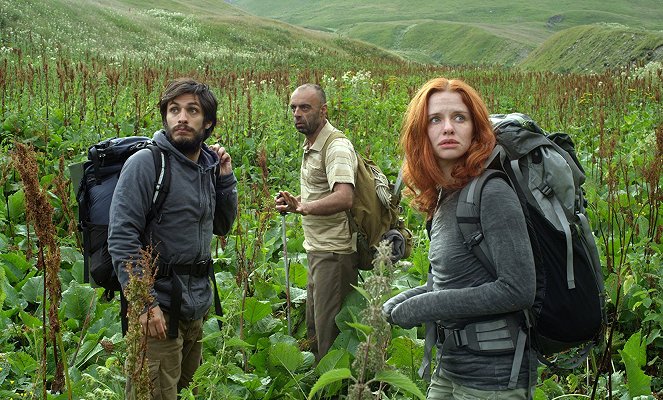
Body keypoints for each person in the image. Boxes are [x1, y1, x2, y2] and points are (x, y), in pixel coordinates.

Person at [382, 77, 537, 399]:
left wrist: (427, 305)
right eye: (435, 119)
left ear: (476, 129)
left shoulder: (492, 192)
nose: (448, 128)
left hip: (494, 377)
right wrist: (408, 298)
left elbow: (518, 289)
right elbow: (457, 280)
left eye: (459, 118)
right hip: (450, 365)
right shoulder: (445, 195)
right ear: (420, 133)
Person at [108, 78, 238, 399]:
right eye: (174, 109)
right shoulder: (147, 164)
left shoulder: (207, 166)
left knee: (182, 391)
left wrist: (225, 178)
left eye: (192, 111)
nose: (181, 117)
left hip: (194, 308)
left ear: (207, 122)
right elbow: (123, 236)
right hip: (158, 311)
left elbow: (222, 225)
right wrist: (144, 303)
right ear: (165, 117)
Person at [275, 83, 359, 361]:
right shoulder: (312, 143)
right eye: (293, 108)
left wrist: (304, 207)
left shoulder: (336, 147)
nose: (297, 114)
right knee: (313, 328)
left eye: (305, 108)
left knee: (329, 335)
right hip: (317, 249)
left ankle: (335, 388)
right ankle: (317, 383)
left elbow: (344, 197)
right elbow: (319, 192)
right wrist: (295, 202)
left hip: (334, 253)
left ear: (323, 110)